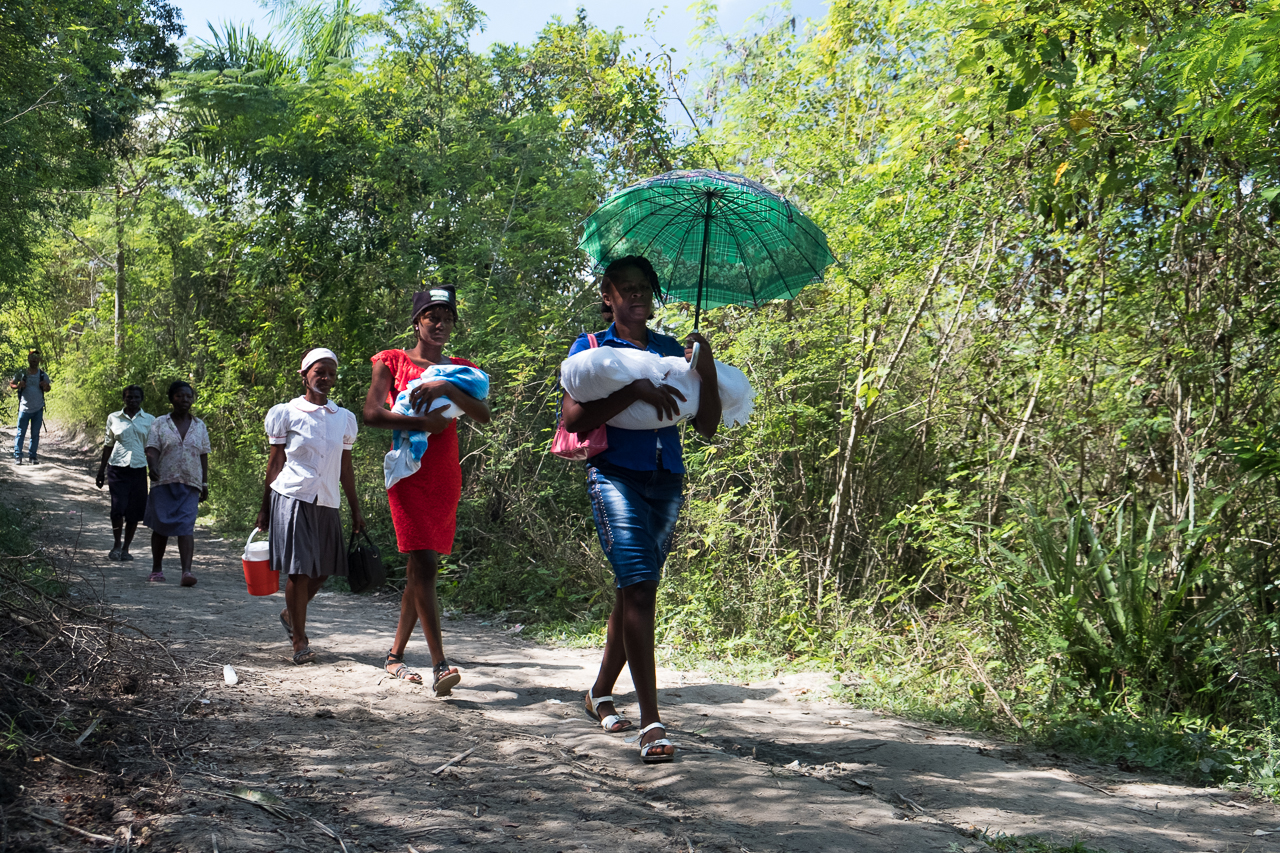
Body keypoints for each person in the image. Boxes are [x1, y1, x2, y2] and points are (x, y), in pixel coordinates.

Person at [561, 256, 720, 764]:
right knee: (639, 587)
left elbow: (707, 426)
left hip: (666, 478)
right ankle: (652, 722)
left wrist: (705, 369)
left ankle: (598, 693)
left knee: (635, 588)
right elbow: (575, 420)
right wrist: (633, 388)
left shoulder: (673, 350)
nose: (636, 296)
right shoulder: (592, 348)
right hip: (615, 475)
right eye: (625, 288)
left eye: (644, 289)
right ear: (607, 296)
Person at [363, 286, 491, 695]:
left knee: (420, 568)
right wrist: (423, 424)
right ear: (416, 322)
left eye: (447, 318)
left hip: (444, 473)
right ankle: (440, 664)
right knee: (425, 564)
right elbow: (372, 413)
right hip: (408, 471)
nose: (440, 324)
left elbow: (484, 414)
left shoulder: (461, 371)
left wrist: (446, 390)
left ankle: (394, 657)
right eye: (432, 316)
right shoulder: (392, 361)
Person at [256, 348, 365, 665]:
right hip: (292, 497)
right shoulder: (287, 413)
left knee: (324, 569)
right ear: (304, 375)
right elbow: (275, 463)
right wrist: (265, 507)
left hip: (327, 499)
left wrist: (356, 510)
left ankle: (290, 614)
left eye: (331, 373)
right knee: (300, 569)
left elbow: (346, 467)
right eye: (319, 372)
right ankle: (299, 641)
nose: (326, 378)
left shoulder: (343, 418)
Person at [143, 381, 211, 586]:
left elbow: (203, 454)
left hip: (190, 482)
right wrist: (152, 466)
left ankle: (186, 572)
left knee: (186, 526)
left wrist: (205, 483)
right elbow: (152, 447)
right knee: (160, 525)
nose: (184, 400)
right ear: (171, 398)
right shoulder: (159, 423)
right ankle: (156, 569)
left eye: (188, 396)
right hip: (163, 481)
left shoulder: (199, 425)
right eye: (180, 396)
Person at [95, 385, 155, 561]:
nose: (133, 400)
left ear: (141, 399)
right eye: (129, 397)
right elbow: (108, 445)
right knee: (117, 508)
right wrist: (101, 471)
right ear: (124, 399)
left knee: (134, 512)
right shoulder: (114, 418)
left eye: (136, 397)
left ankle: (126, 548)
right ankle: (116, 545)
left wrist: (153, 469)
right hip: (117, 469)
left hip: (138, 469)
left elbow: (151, 447)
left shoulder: (150, 420)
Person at [10, 350, 51, 464]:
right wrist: (18, 385)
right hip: (24, 408)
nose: (34, 360)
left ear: (39, 360)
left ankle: (33, 456)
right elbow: (12, 384)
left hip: (38, 408)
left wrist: (46, 386)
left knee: (35, 434)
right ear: (28, 359)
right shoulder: (22, 373)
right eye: (32, 357)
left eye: (36, 358)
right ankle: (18, 456)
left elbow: (48, 388)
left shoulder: (42, 375)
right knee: (20, 433)